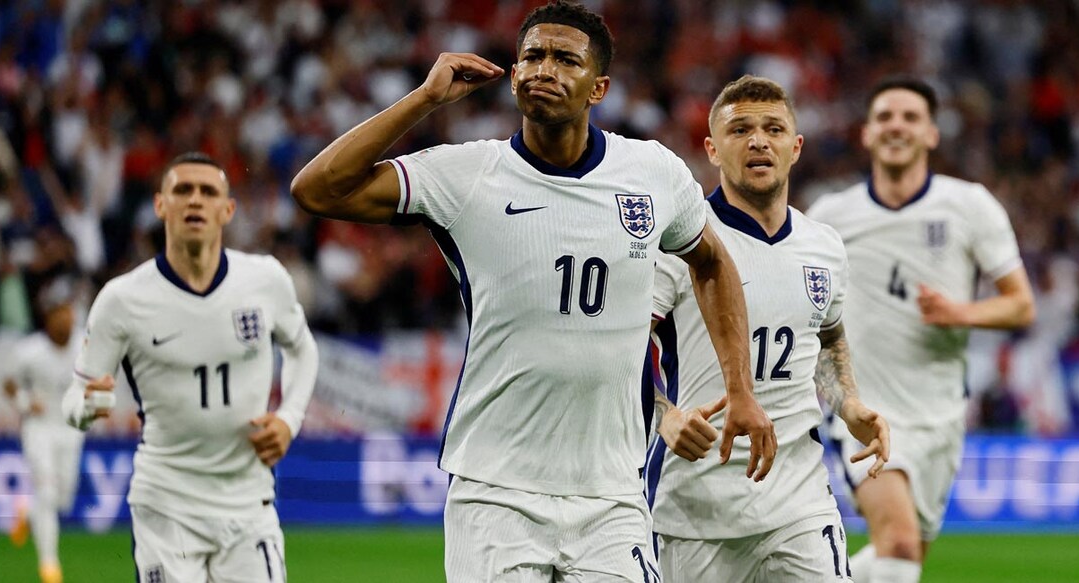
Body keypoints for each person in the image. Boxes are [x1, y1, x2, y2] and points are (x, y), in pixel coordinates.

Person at [289, 2, 776, 580]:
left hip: (612, 496)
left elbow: (713, 263)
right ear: (513, 74)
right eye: (532, 56)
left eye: (565, 59)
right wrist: (423, 99)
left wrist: (740, 388)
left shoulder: (651, 172)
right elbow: (317, 189)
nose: (544, 68)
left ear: (599, 88)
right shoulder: (467, 175)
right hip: (496, 494)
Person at [645, 75, 891, 583]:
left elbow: (827, 337)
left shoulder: (823, 245)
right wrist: (663, 416)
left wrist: (849, 403)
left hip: (798, 500)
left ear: (795, 147)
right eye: (740, 130)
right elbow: (622, 347)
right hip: (697, 507)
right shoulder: (679, 243)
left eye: (774, 128)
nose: (759, 140)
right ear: (712, 149)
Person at [806, 77, 1036, 583]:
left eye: (910, 117)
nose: (896, 126)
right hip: (865, 413)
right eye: (885, 117)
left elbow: (1021, 306)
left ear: (931, 134)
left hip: (942, 415)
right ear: (866, 134)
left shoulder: (969, 206)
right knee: (900, 543)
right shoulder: (830, 217)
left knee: (901, 556)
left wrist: (962, 313)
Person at [62, 152, 319, 582]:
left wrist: (289, 419)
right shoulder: (122, 299)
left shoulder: (265, 280)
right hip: (166, 505)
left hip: (248, 503)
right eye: (183, 190)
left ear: (227, 210)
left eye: (208, 192)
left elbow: (302, 349)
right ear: (161, 205)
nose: (195, 201)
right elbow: (74, 398)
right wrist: (85, 408)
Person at [3, 279, 84, 583]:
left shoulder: (84, 345)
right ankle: (49, 566)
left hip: (71, 428)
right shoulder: (30, 351)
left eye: (69, 311)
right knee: (48, 493)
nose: (66, 318)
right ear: (48, 317)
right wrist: (25, 402)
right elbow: (9, 383)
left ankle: (25, 509)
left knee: (62, 499)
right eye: (59, 312)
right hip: (39, 429)